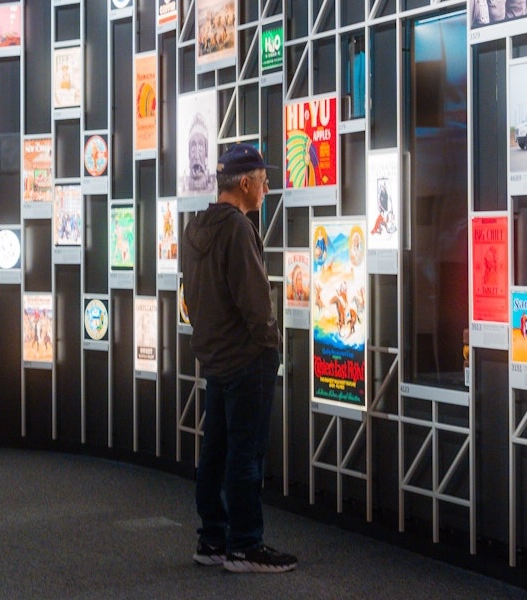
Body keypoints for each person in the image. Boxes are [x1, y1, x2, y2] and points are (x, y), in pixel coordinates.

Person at [180, 144, 298, 574]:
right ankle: (245, 544)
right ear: (245, 183)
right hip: (248, 359)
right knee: (246, 452)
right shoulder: (238, 229)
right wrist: (271, 344)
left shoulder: (196, 228)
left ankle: (213, 537)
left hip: (215, 358)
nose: (267, 187)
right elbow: (255, 301)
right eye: (264, 180)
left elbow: (190, 298)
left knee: (216, 450)